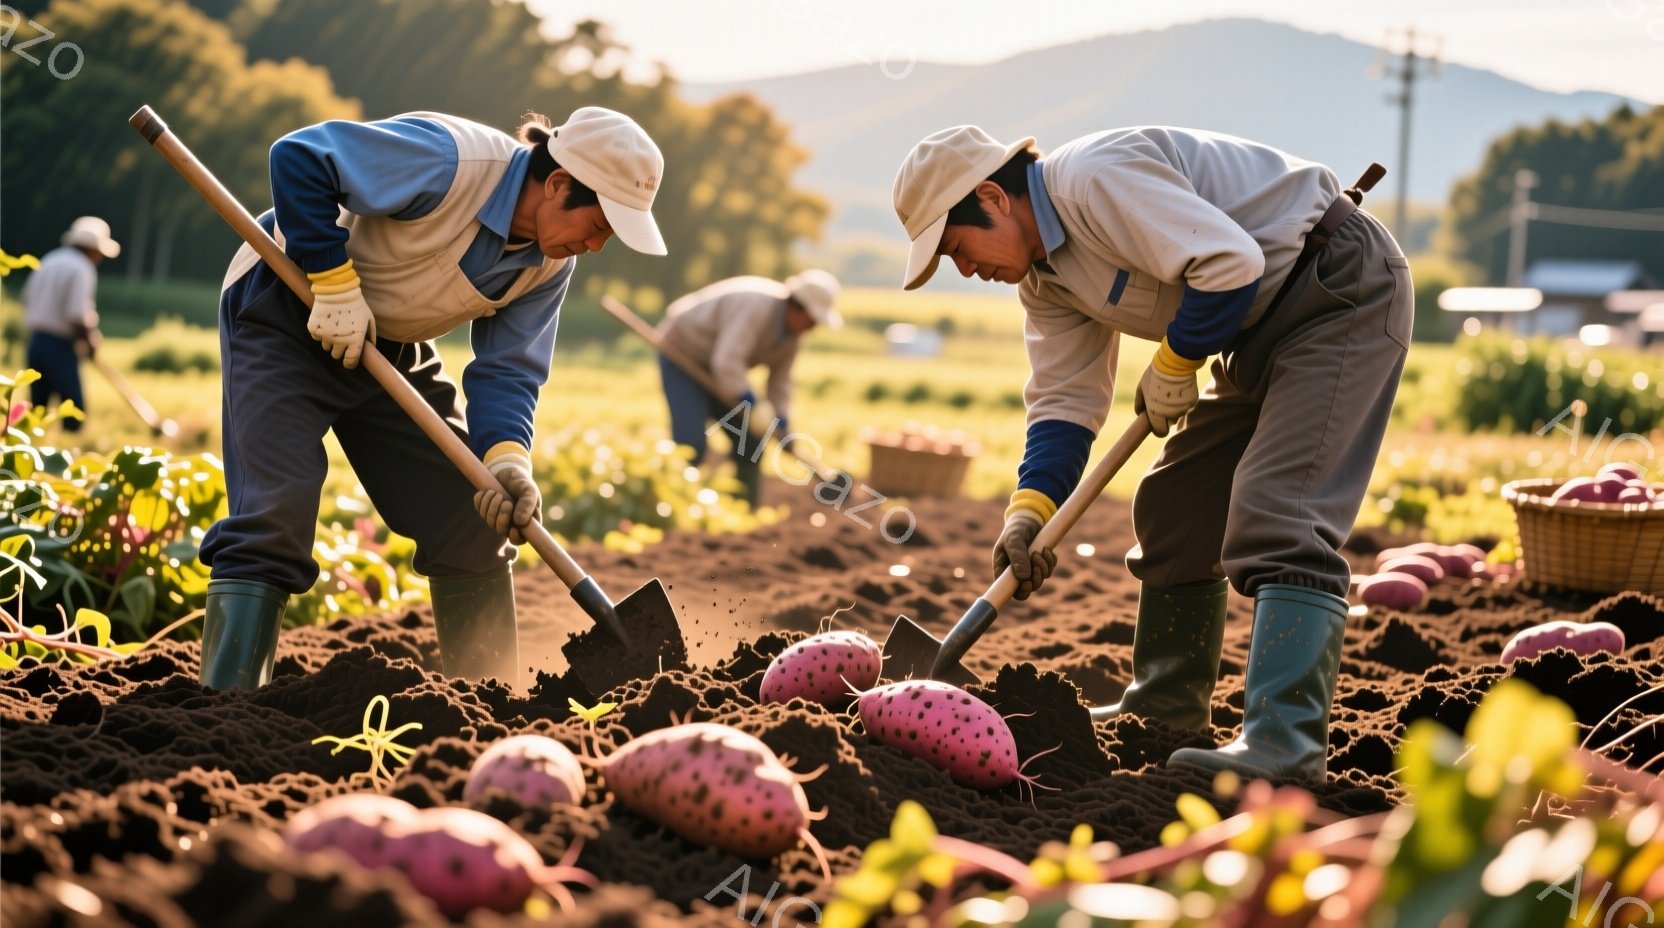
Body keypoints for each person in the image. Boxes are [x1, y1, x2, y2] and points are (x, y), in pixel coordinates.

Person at [892, 125, 1410, 783]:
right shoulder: (1045, 283)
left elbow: (1229, 263)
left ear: (993, 196)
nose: (967, 270)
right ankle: (1166, 709)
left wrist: (1175, 362)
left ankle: (1286, 745)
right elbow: (1064, 404)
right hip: (1255, 331)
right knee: (1175, 506)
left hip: (1336, 289)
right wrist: (1029, 511)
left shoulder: (1094, 179)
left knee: (1280, 509)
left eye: (958, 248)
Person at [200, 106, 666, 691]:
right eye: (599, 225)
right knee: (275, 515)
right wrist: (333, 280)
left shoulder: (550, 263)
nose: (596, 246)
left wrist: (506, 463)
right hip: (284, 309)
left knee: (469, 517)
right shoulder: (452, 161)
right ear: (557, 185)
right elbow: (300, 157)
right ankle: (227, 705)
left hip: (388, 341)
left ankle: (487, 697)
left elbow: (508, 370)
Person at [656, 271, 841, 507]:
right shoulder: (756, 307)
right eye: (812, 320)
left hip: (720, 371)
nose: (812, 328)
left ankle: (743, 509)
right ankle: (674, 507)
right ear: (797, 307)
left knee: (752, 439)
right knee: (690, 442)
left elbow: (780, 383)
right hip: (683, 353)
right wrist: (751, 403)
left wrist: (782, 420)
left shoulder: (792, 338)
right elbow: (728, 360)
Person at [21, 216, 120, 430]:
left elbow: (27, 297)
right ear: (92, 249)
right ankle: (70, 452)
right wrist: (90, 340)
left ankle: (31, 452)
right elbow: (76, 313)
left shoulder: (49, 260)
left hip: (36, 342)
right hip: (59, 346)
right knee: (74, 408)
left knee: (38, 408)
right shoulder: (82, 268)